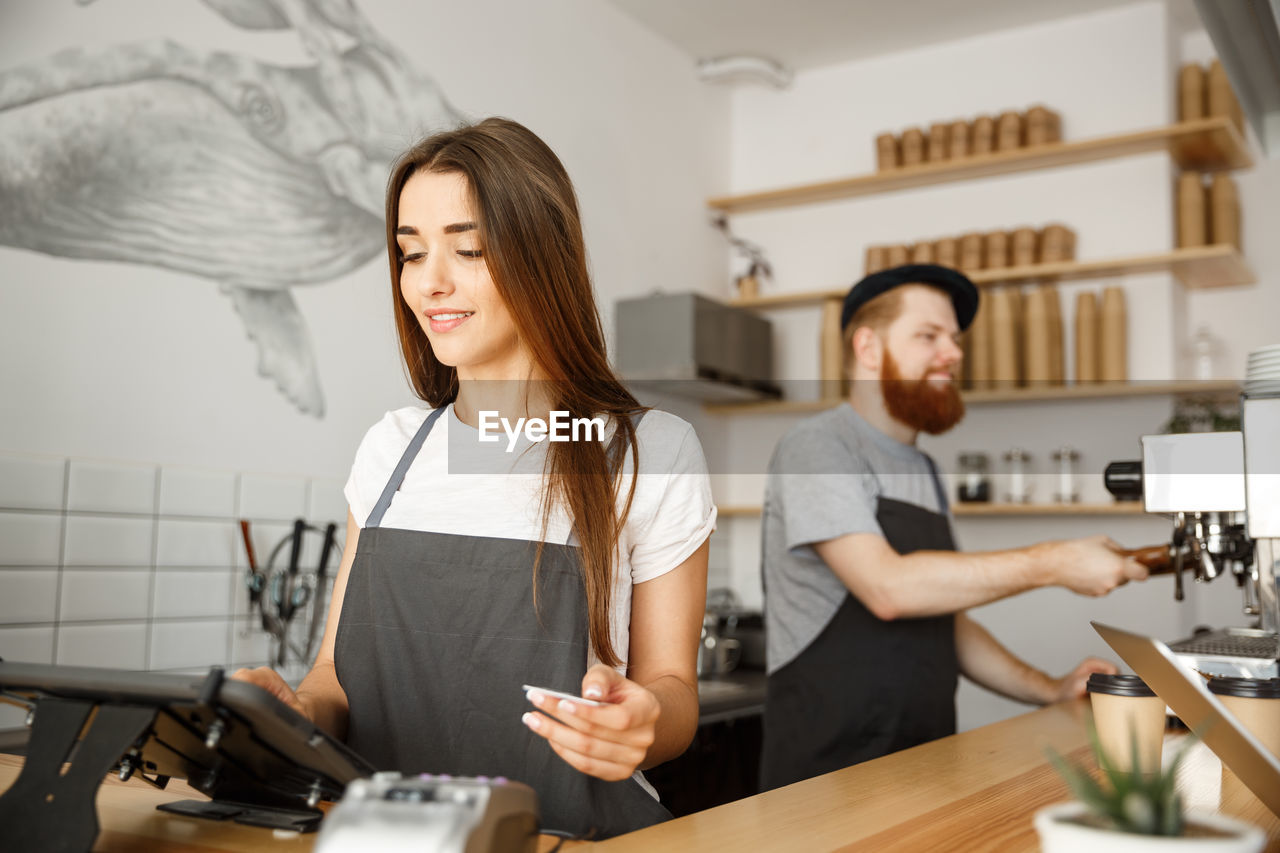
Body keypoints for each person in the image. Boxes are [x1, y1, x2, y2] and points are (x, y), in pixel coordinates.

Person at [234, 117, 715, 839]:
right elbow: (334, 674)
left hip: (563, 836)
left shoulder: (650, 450)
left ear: (543, 257)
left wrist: (642, 723)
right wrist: (291, 717)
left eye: (468, 248)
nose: (431, 282)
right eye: (410, 252)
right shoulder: (392, 447)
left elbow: (673, 688)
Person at [758, 264, 1149, 791]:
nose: (955, 353)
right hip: (828, 774)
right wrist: (1054, 562)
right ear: (869, 349)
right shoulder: (819, 448)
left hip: (925, 763)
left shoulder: (924, 470)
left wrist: (1049, 688)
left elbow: (948, 623)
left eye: (956, 339)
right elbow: (888, 588)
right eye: (929, 336)